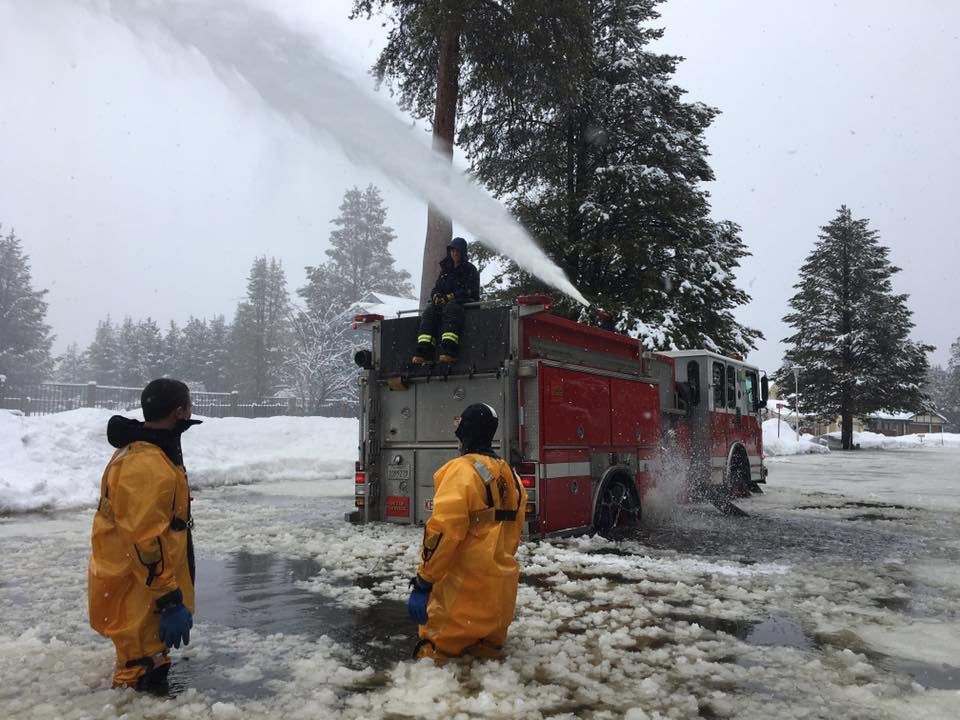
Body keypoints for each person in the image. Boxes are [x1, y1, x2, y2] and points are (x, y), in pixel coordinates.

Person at [88, 378, 200, 691]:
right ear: (180, 411)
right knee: (137, 669)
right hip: (138, 585)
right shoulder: (146, 463)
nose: (192, 410)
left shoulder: (151, 450)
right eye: (189, 405)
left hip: (141, 582)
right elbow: (144, 540)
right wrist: (167, 598)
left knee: (148, 656)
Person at [407, 403, 527, 661]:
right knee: (486, 671)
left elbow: (443, 531)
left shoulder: (462, 471)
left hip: (460, 603)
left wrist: (424, 580)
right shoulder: (510, 474)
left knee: (437, 670)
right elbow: (514, 532)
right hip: (499, 603)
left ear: (465, 432)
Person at [412, 236, 481, 364]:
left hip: (464, 303)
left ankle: (449, 350)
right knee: (430, 310)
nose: (454, 253)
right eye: (452, 250)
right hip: (446, 303)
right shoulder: (445, 271)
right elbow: (437, 288)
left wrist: (450, 297)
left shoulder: (470, 269)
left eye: (457, 251)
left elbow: (469, 291)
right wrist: (436, 296)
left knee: (451, 308)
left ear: (463, 252)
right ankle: (424, 351)